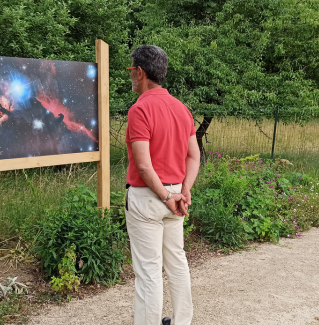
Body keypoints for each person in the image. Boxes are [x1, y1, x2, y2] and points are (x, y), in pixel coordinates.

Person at [125, 45, 200, 325]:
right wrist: (184, 191)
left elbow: (144, 166)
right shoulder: (182, 109)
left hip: (149, 199)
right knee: (177, 263)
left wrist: (167, 195)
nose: (131, 75)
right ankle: (182, 321)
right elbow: (194, 155)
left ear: (141, 72)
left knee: (148, 273)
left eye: (131, 70)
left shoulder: (140, 109)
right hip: (175, 196)